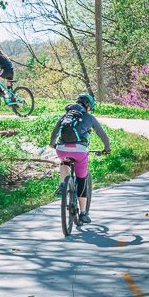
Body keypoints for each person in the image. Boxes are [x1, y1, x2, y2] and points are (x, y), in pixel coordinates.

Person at [50, 93, 111, 224]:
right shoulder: (89, 117)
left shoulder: (66, 115)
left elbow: (55, 132)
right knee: (81, 180)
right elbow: (103, 135)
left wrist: (53, 144)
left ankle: (63, 184)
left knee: (64, 161)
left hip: (61, 149)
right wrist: (107, 148)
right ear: (88, 106)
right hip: (79, 151)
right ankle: (83, 213)